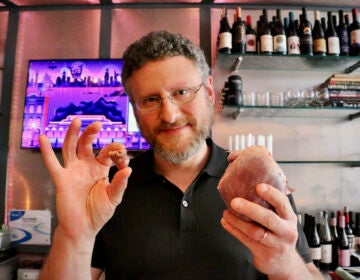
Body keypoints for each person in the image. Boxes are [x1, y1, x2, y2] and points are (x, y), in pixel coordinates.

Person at [38, 31, 323, 279]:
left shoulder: (259, 181)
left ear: (209, 92)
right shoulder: (109, 189)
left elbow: (307, 272)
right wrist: (73, 235)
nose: (170, 115)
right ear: (134, 111)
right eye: (150, 100)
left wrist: (286, 265)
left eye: (182, 92)